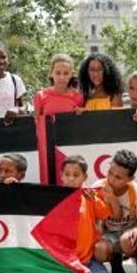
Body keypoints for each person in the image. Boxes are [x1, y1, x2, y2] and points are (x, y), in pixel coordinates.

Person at [56, 155, 117, 273]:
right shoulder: (54, 198)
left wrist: (109, 198)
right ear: (61, 175)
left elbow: (106, 213)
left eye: (76, 175)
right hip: (68, 262)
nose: (71, 179)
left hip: (89, 260)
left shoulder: (89, 196)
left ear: (85, 177)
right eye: (67, 174)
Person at [92, 149, 137, 273]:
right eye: (110, 173)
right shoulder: (97, 188)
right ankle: (115, 264)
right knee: (100, 250)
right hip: (109, 234)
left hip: (129, 233)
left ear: (130, 179)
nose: (111, 179)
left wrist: (136, 231)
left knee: (128, 241)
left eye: (118, 178)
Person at [33, 54, 84, 183]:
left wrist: (83, 112)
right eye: (58, 72)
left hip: (70, 148)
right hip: (47, 150)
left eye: (66, 73)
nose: (62, 77)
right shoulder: (40, 96)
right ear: (51, 74)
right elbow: (37, 125)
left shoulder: (78, 97)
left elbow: (82, 123)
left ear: (71, 74)